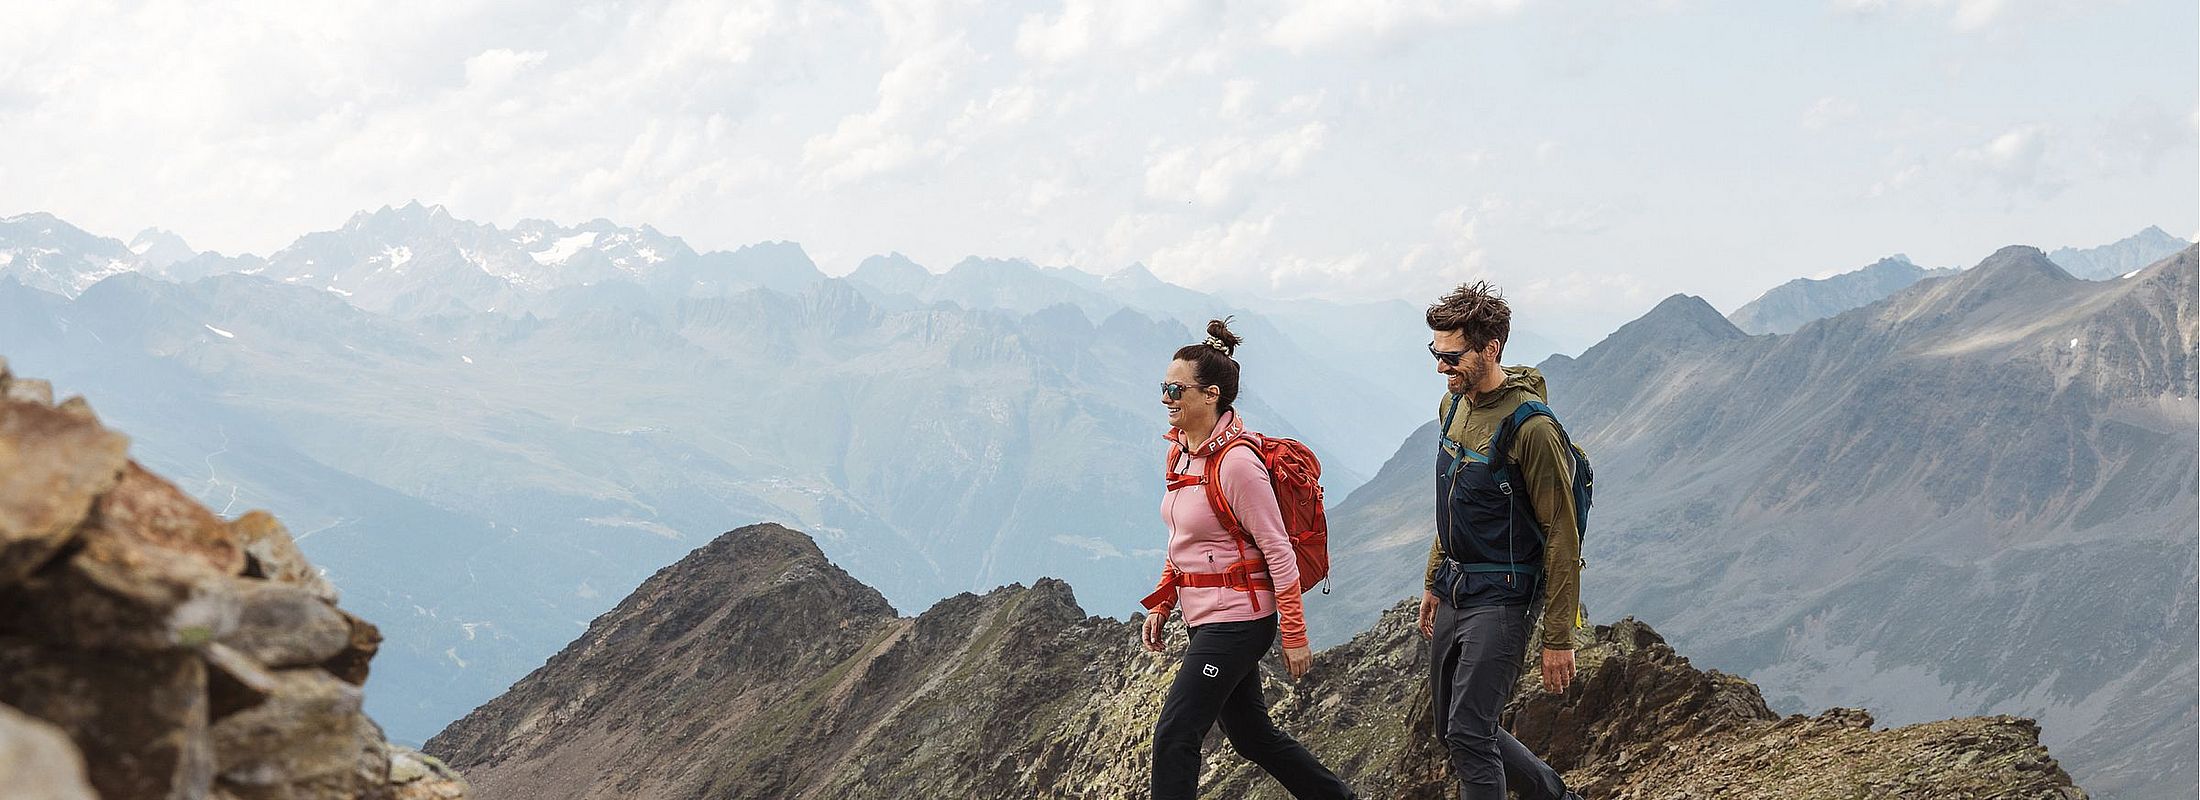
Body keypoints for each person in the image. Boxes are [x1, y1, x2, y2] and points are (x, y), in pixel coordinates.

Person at [1140, 318, 1356, 800]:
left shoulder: (1237, 464)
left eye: (1175, 389)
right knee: (1252, 736)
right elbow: (1184, 538)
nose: (1165, 398)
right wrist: (1163, 601)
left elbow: (1278, 549)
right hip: (1204, 616)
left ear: (1210, 394)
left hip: (1238, 621)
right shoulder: (1182, 455)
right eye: (1163, 387)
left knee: (1176, 733)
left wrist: (1295, 634)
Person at [1416, 282, 1585, 800]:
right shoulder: (1455, 405)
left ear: (1490, 347)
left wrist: (1559, 637)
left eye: (1452, 356)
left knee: (1470, 734)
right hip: (1454, 588)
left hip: (1503, 597)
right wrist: (1432, 580)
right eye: (1436, 354)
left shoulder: (1532, 429)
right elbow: (1453, 501)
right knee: (1452, 727)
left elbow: (1561, 534)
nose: (1443, 367)